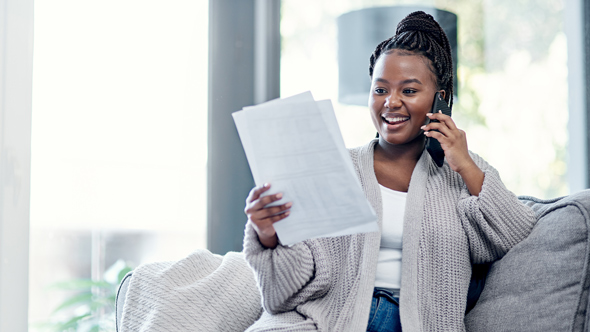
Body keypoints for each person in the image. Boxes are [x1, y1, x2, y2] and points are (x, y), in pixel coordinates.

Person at [242, 11, 536, 332]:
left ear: (441, 100)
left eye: (408, 91)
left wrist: (464, 164)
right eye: (380, 90)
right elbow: (283, 290)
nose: (391, 103)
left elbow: (514, 234)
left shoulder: (462, 171)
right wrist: (268, 236)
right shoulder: (339, 167)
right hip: (328, 319)